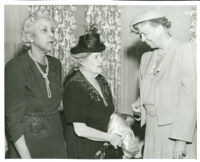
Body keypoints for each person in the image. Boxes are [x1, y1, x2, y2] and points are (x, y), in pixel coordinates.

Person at [129, 10, 196, 159]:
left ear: (160, 28)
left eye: (145, 33)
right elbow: (152, 93)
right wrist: (141, 105)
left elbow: (190, 98)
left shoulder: (184, 51)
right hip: (151, 130)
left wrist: (181, 140)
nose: (142, 39)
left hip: (175, 132)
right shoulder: (146, 58)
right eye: (140, 34)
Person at [5, 13, 66, 158]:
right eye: (44, 30)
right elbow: (13, 121)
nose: (51, 35)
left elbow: (56, 105)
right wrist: (26, 157)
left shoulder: (56, 65)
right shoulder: (16, 67)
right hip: (28, 146)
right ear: (30, 37)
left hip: (56, 142)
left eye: (52, 30)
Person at [63, 26, 122, 159]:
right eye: (96, 57)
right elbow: (80, 129)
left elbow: (106, 113)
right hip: (83, 149)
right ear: (82, 61)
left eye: (101, 56)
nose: (102, 60)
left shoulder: (101, 80)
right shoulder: (75, 85)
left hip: (102, 145)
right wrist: (110, 137)